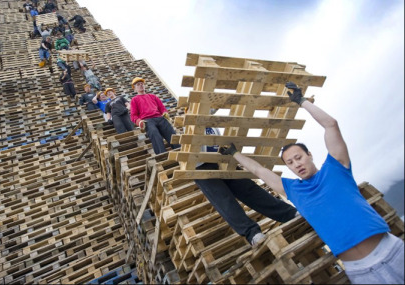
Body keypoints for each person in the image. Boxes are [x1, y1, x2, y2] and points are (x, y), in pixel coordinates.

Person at [219, 82, 404, 284]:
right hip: (360, 272)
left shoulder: (336, 169)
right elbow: (258, 171)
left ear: (309, 154)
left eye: (298, 157)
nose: (296, 164)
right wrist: (234, 153)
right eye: (289, 162)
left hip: (393, 253)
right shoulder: (292, 190)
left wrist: (301, 101)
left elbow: (331, 124)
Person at [193, 108, 298, 248]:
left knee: (249, 189)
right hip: (200, 166)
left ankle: (290, 214)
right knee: (225, 201)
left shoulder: (213, 124)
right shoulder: (192, 122)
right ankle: (252, 234)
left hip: (222, 160)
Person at [130, 77, 180, 154]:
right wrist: (139, 122)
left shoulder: (153, 96)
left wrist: (165, 113)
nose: (141, 85)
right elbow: (133, 115)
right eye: (138, 84)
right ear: (135, 89)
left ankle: (180, 151)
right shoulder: (134, 100)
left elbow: (162, 108)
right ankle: (162, 156)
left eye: (142, 84)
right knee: (155, 136)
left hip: (159, 117)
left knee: (171, 133)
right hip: (148, 121)